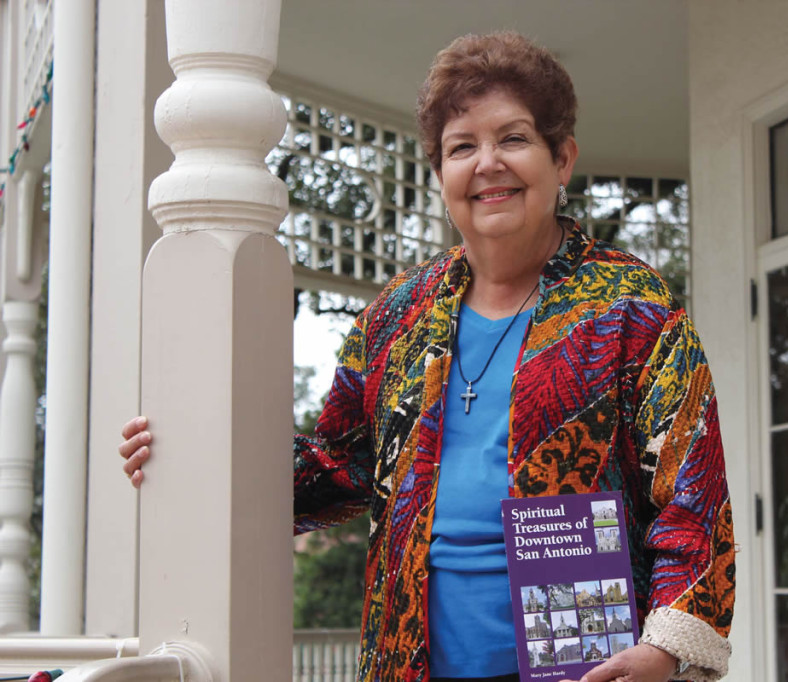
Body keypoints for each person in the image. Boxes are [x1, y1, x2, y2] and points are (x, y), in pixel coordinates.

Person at [121, 31, 734, 682]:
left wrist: (666, 648)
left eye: (514, 138)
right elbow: (339, 466)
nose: (487, 164)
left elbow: (694, 498)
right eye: (462, 147)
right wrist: (193, 461)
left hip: (582, 669)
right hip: (407, 664)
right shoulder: (398, 315)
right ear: (440, 174)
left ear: (562, 159)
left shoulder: (633, 308)